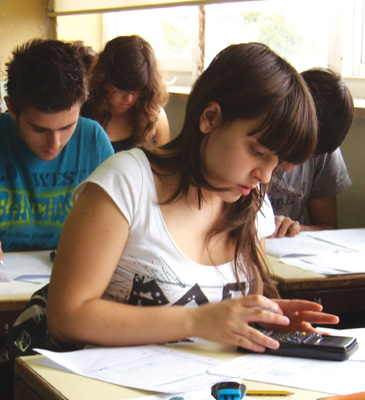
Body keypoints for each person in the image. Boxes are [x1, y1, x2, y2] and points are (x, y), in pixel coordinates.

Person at [2, 43, 338, 362]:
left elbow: (235, 319)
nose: (264, 176)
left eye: (276, 162)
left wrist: (265, 322)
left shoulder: (253, 204)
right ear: (210, 117)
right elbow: (67, 317)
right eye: (257, 152)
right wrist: (196, 321)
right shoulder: (127, 183)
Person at [0, 39, 114, 253]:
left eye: (67, 127)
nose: (55, 143)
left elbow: (119, 225)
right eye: (39, 129)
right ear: (12, 109)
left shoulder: (94, 141)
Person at [267, 68, 354, 238]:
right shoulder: (255, 137)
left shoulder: (325, 146)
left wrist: (294, 229)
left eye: (308, 155)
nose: (290, 166)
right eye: (294, 148)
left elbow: (327, 226)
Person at [81, 35, 170, 152]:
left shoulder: (154, 116)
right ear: (103, 80)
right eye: (121, 90)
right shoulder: (83, 114)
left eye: (136, 91)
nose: (129, 99)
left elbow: (164, 162)